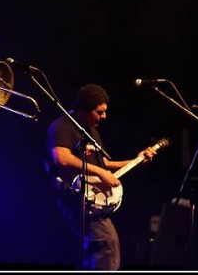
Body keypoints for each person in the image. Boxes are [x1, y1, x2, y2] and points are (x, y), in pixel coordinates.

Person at [45, 83, 156, 270]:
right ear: (82, 109)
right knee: (106, 247)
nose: (104, 116)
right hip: (78, 201)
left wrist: (136, 160)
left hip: (92, 204)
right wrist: (101, 173)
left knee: (103, 250)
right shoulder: (62, 126)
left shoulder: (89, 130)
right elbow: (61, 158)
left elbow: (104, 164)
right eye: (99, 112)